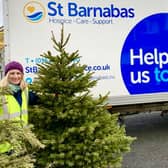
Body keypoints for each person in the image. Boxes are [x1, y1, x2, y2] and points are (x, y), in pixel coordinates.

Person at [0, 61, 38, 154]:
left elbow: (39, 99)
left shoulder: (24, 91)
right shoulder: (1, 92)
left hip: (20, 142)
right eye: (12, 73)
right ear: (6, 75)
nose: (15, 76)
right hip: (4, 143)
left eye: (18, 73)